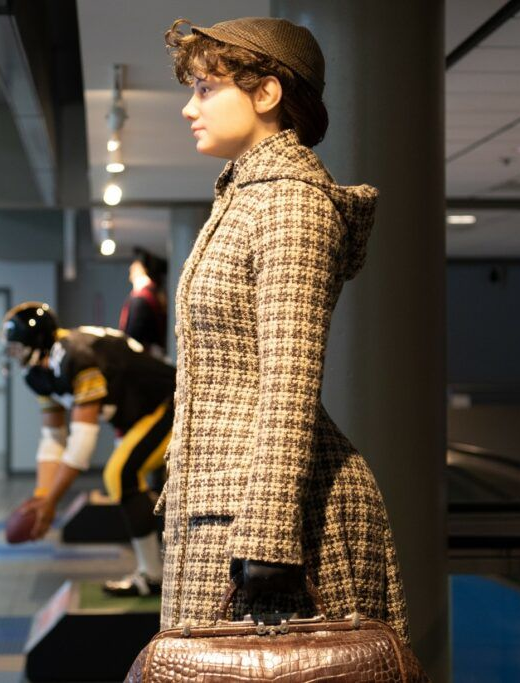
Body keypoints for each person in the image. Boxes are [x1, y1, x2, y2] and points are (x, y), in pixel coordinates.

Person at [158, 17, 409, 640]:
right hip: (227, 505)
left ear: (267, 94)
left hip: (270, 522)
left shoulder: (290, 203)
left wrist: (268, 540)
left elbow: (290, 379)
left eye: (206, 88)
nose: (190, 107)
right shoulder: (246, 198)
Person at [3, 302, 173, 597]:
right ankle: (157, 570)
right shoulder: (38, 373)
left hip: (168, 400)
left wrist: (51, 503)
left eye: (18, 347)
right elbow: (54, 437)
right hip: (136, 413)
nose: (14, 354)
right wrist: (43, 496)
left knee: (120, 475)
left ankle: (153, 575)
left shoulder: (76, 357)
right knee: (130, 479)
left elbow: (82, 441)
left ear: (36, 343)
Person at [119, 248, 168, 357]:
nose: (131, 268)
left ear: (142, 269)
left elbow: (133, 336)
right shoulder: (153, 295)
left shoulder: (140, 299)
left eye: (135, 265)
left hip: (142, 357)